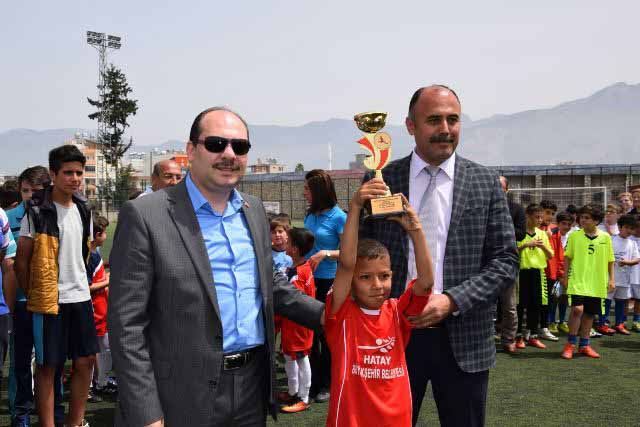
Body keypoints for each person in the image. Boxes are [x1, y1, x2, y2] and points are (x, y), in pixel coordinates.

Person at [108, 107, 324, 427]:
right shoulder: (145, 215)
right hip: (179, 394)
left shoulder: (253, 210)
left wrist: (331, 315)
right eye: (216, 144)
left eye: (240, 146)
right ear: (191, 150)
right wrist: (146, 413)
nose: (229, 154)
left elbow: (270, 285)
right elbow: (126, 325)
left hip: (251, 389)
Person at [360, 85, 519, 426]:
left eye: (453, 119)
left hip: (465, 336)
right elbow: (363, 252)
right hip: (393, 335)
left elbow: (506, 260)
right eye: (434, 120)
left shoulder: (485, 182)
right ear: (411, 126)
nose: (445, 129)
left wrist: (452, 300)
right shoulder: (382, 180)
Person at [326, 180, 433, 427]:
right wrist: (355, 207)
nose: (377, 285)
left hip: (396, 419)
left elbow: (426, 283)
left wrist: (416, 231)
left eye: (384, 276)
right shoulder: (341, 313)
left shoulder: (397, 312)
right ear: (351, 282)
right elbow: (347, 264)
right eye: (365, 277)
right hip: (352, 420)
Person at [15, 146, 97, 427]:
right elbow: (21, 261)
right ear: (53, 174)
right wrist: (34, 294)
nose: (75, 178)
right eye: (68, 173)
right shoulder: (36, 211)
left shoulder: (85, 208)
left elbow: (85, 253)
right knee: (48, 365)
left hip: (81, 297)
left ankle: (75, 423)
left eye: (79, 173)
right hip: (50, 301)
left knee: (86, 361)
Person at [6, 166, 60, 426]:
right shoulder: (8, 219)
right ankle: (21, 413)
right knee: (21, 361)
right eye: (25, 190)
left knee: (52, 359)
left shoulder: (58, 215)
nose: (30, 196)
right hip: (21, 301)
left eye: (36, 191)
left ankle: (53, 409)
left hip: (51, 301)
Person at [303, 169, 347, 403]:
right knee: (309, 333)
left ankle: (327, 383)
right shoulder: (310, 215)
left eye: (307, 189)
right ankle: (311, 382)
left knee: (326, 334)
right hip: (306, 281)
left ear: (319, 191)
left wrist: (326, 253)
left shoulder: (339, 217)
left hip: (328, 282)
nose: (304, 193)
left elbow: (350, 252)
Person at [561, 205, 615, 360]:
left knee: (590, 314)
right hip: (577, 279)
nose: (582, 220)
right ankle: (570, 344)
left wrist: (612, 279)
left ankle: (584, 345)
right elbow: (568, 257)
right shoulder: (574, 236)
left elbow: (610, 260)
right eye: (581, 217)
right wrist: (565, 276)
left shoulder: (605, 237)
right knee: (577, 310)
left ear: (596, 221)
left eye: (587, 218)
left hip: (597, 282)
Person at [278, 227, 316, 414]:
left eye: (288, 241)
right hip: (290, 322)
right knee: (288, 356)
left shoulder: (301, 272)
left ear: (294, 249)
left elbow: (296, 300)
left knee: (301, 358)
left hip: (299, 324)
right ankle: (293, 391)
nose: (284, 241)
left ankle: (304, 397)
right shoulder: (295, 267)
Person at [515, 204, 554, 350]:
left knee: (536, 305)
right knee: (519, 305)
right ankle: (518, 336)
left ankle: (533, 336)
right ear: (528, 216)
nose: (540, 220)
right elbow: (510, 251)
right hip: (521, 272)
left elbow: (551, 255)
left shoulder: (542, 234)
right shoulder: (519, 233)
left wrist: (542, 246)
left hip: (538, 272)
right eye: (537, 217)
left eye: (541, 217)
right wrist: (525, 245)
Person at [497, 176, 525, 354]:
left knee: (509, 305)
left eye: (500, 186)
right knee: (481, 303)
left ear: (507, 190)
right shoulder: (482, 206)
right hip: (484, 260)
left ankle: (509, 338)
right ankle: (483, 337)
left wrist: (501, 225)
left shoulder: (516, 209)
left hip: (507, 260)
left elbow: (521, 234)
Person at [87, 215, 114, 395]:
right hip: (96, 310)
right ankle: (96, 384)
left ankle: (100, 381)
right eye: (104, 233)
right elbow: (88, 287)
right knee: (98, 349)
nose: (105, 236)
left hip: (101, 308)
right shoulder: (90, 256)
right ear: (97, 235)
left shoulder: (94, 254)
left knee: (103, 348)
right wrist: (108, 281)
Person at [607, 214, 640, 335]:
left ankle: (619, 324)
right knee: (606, 301)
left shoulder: (632, 243)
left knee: (621, 302)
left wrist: (627, 262)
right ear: (620, 227)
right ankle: (603, 323)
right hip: (610, 278)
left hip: (625, 279)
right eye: (627, 227)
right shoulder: (611, 240)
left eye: (632, 228)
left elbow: (637, 259)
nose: (629, 231)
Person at [538, 200, 563, 341]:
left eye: (552, 214)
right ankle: (530, 329)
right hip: (535, 270)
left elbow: (559, 253)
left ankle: (544, 327)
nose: (550, 216)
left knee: (547, 301)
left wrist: (560, 272)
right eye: (547, 212)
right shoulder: (533, 228)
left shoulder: (554, 229)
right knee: (532, 302)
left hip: (550, 272)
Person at [548, 211, 573, 334]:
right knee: (554, 297)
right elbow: (554, 258)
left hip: (567, 274)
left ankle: (562, 321)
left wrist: (566, 275)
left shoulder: (572, 237)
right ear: (557, 223)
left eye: (569, 224)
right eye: (564, 223)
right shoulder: (552, 235)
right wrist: (560, 275)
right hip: (556, 274)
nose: (566, 227)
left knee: (564, 298)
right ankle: (551, 322)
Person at [629, 216, 640, 332]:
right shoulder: (628, 239)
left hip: (638, 275)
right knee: (623, 299)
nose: (638, 229)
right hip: (626, 275)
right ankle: (621, 321)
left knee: (638, 299)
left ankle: (636, 321)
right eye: (636, 226)